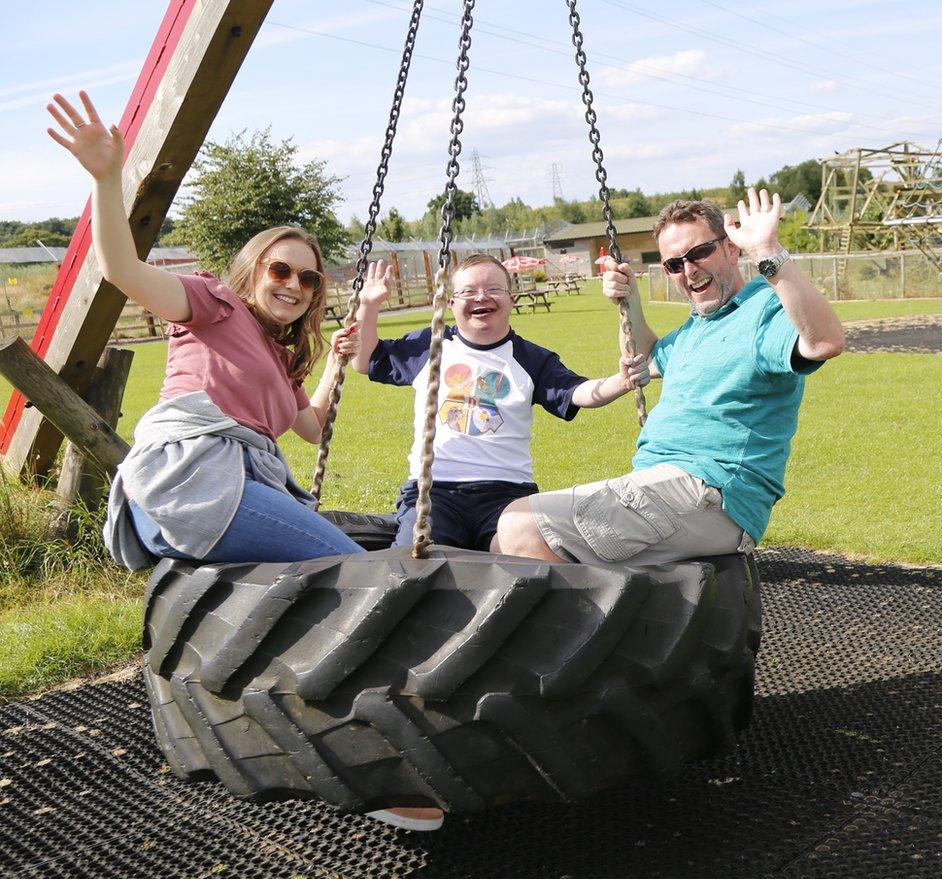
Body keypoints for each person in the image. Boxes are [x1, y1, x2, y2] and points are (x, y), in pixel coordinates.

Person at [46, 90, 369, 569]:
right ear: (252, 270)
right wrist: (106, 178)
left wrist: (337, 361)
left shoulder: (280, 362)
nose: (294, 285)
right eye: (279, 270)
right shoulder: (213, 304)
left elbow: (313, 428)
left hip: (229, 489)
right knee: (354, 568)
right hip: (190, 483)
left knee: (344, 567)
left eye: (308, 278)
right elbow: (121, 269)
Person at [495, 188, 845, 566]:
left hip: (712, 490)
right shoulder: (696, 328)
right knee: (501, 546)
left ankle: (610, 622)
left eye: (699, 253)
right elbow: (643, 358)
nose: (689, 270)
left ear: (731, 249)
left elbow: (824, 341)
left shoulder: (762, 311)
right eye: (675, 264)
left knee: (520, 526)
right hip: (669, 486)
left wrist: (768, 251)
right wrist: (629, 303)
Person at [349, 252, 649, 552]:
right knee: (417, 559)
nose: (482, 297)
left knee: (522, 559)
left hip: (506, 494)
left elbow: (577, 392)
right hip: (434, 490)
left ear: (511, 299)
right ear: (451, 304)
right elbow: (365, 360)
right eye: (468, 291)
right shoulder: (430, 347)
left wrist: (620, 381)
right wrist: (369, 304)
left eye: (494, 289)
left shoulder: (531, 359)